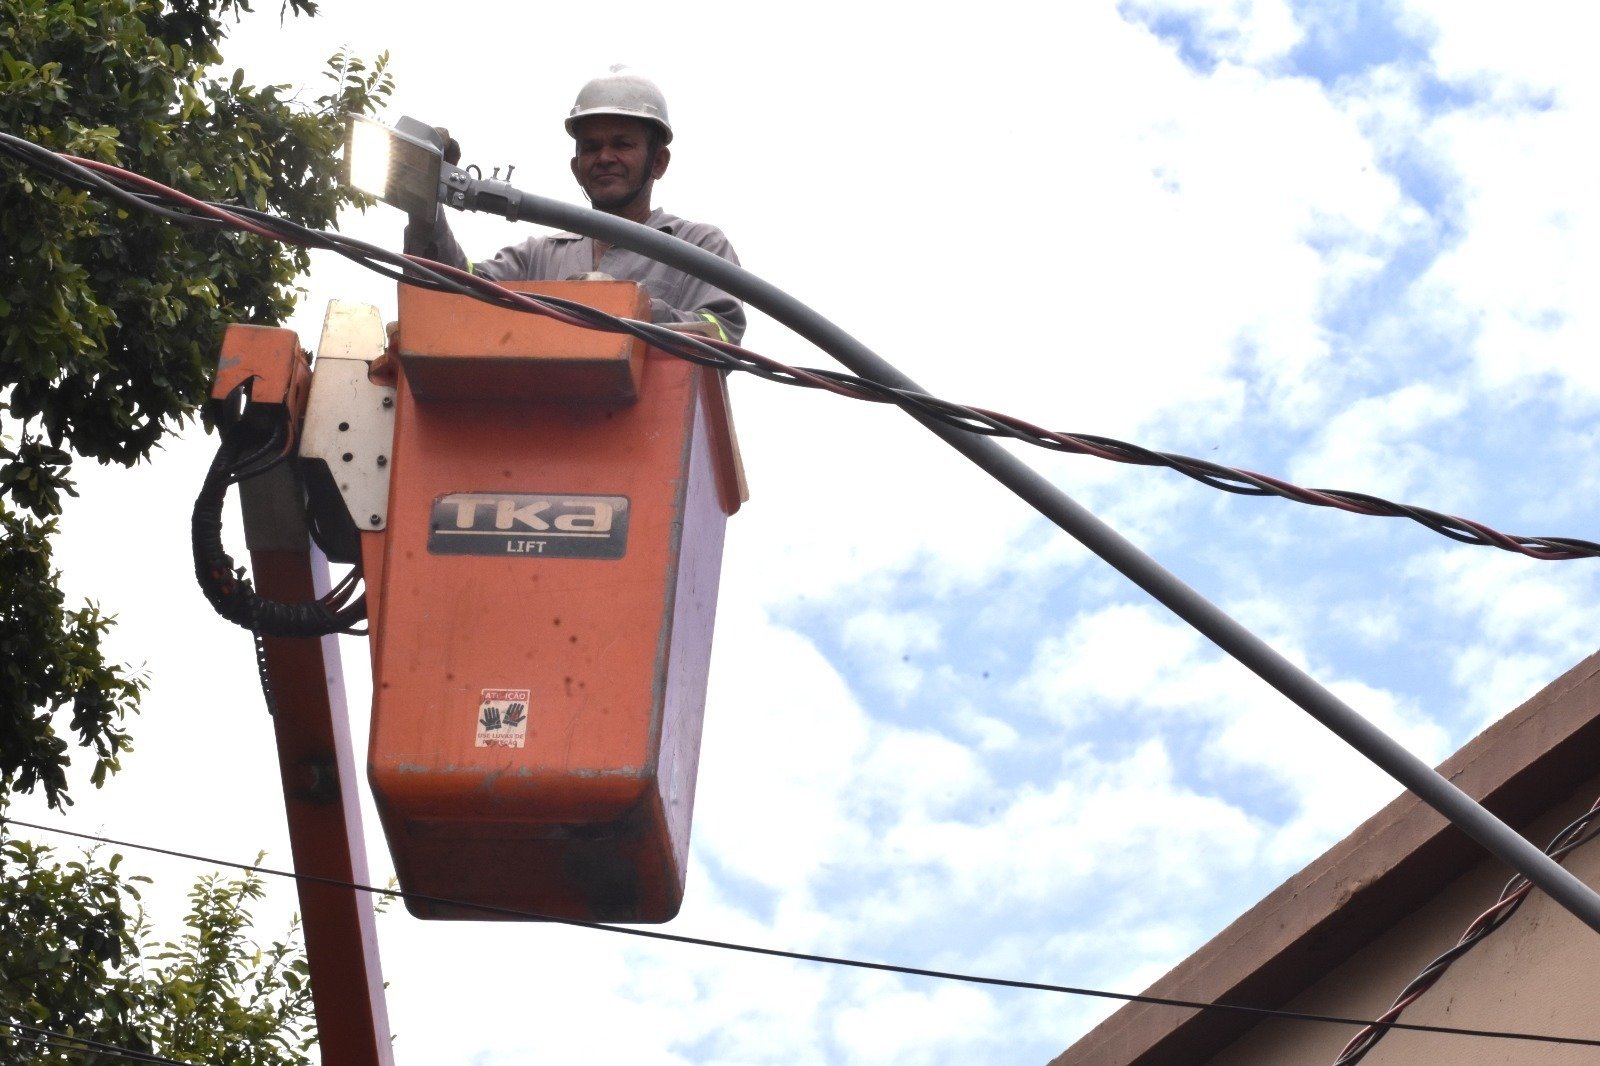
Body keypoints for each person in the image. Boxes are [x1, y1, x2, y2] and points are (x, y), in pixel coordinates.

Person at [405, 65, 746, 343]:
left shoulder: (700, 248)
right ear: (577, 168)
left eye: (622, 144)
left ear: (658, 162)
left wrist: (627, 304)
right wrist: (423, 204)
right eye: (592, 147)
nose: (605, 157)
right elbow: (453, 294)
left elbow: (720, 336)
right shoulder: (536, 259)